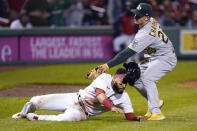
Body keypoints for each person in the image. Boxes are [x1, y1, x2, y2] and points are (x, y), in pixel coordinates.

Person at [87, 2, 177, 120]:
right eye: (135, 14)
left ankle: (156, 112)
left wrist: (106, 66)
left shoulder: (146, 33)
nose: (135, 16)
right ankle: (154, 101)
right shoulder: (150, 21)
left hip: (165, 58)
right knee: (134, 79)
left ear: (146, 18)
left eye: (138, 15)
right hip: (154, 57)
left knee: (147, 78)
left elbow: (127, 53)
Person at [12, 65, 145, 122]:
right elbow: (100, 96)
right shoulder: (104, 78)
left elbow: (129, 115)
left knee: (66, 119)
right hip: (73, 98)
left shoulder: (124, 97)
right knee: (36, 100)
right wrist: (112, 107)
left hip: (83, 113)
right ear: (115, 77)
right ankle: (22, 114)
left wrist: (136, 118)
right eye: (122, 81)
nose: (123, 85)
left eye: (126, 83)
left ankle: (37, 118)